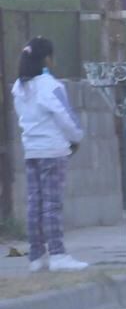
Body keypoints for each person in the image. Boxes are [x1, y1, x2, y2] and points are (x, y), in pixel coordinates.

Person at [12, 37, 88, 272]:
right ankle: (58, 254)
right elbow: (65, 118)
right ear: (46, 59)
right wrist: (77, 137)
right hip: (53, 151)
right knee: (52, 205)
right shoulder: (50, 85)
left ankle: (37, 256)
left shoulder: (19, 87)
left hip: (31, 151)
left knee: (35, 203)